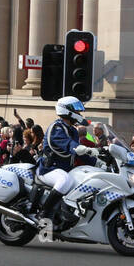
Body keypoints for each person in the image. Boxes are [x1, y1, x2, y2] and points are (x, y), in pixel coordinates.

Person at [38, 97, 100, 230]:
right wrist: (79, 148)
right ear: (67, 111)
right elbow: (68, 145)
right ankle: (44, 213)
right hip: (49, 169)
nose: (79, 115)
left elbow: (80, 153)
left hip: (65, 169)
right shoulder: (57, 127)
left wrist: (99, 162)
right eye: (77, 112)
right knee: (65, 180)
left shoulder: (72, 130)